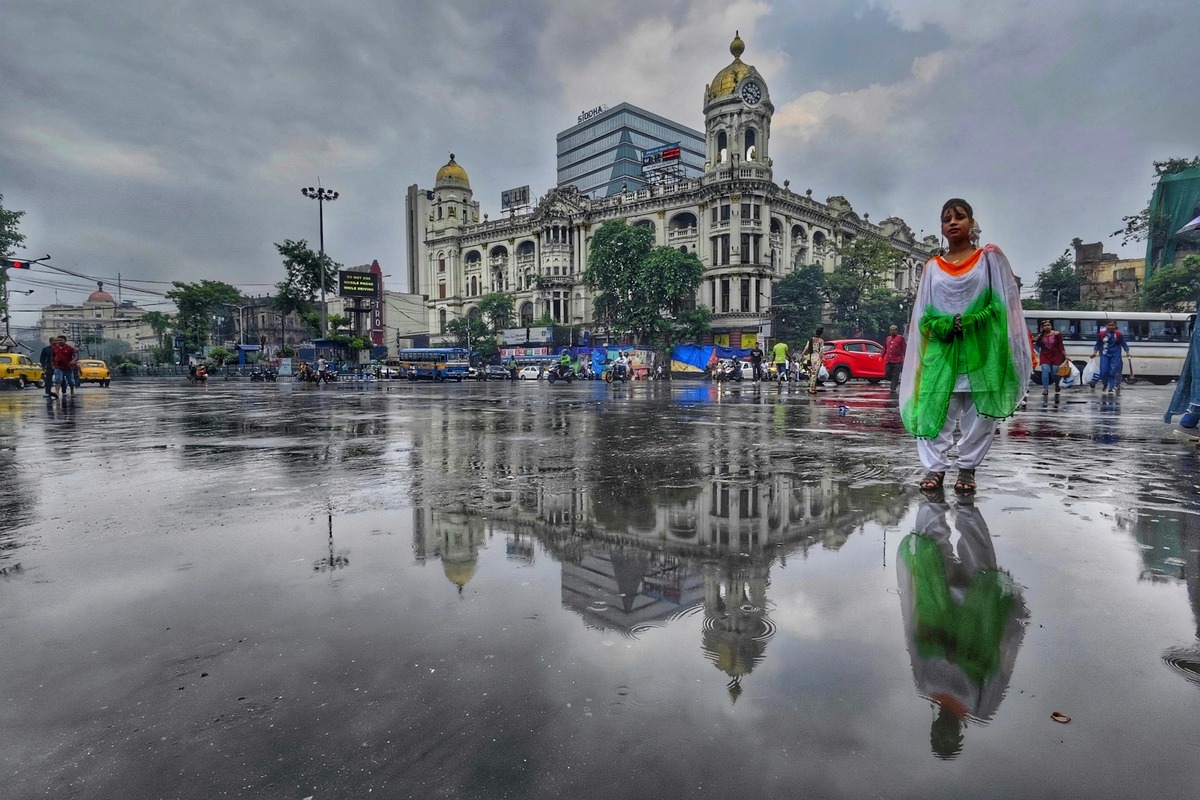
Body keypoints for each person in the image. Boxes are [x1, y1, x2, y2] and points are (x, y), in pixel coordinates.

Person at [899, 198, 1029, 494]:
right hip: (941, 351)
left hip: (980, 349)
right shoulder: (932, 267)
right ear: (942, 228)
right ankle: (935, 468)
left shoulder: (988, 259)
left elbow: (999, 305)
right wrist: (947, 326)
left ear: (972, 223)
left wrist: (970, 322)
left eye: (960, 216)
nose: (953, 222)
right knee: (934, 410)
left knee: (979, 415)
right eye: (947, 219)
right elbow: (924, 314)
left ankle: (968, 469)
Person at [1092, 320, 1130, 394]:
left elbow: (1123, 343)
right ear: (1106, 326)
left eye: (1113, 325)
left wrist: (1127, 352)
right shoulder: (1101, 334)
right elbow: (1098, 344)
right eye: (1109, 325)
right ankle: (1105, 384)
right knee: (1103, 371)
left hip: (1115, 354)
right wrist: (1094, 353)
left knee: (1113, 371)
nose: (1111, 327)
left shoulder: (1118, 334)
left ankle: (1111, 387)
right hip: (1104, 354)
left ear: (1115, 326)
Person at [1033, 319, 1067, 397]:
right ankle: (1045, 389)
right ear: (1042, 328)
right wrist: (1033, 340)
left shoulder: (1057, 334)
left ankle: (1057, 385)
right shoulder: (1040, 336)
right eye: (1045, 326)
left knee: (1054, 372)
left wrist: (1065, 355)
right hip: (1045, 355)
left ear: (1051, 326)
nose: (1047, 327)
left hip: (1056, 355)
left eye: (1048, 325)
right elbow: (1034, 343)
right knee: (1045, 370)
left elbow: (1060, 345)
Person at [800, 327, 826, 394]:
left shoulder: (810, 340)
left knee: (811, 373)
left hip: (810, 357)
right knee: (814, 373)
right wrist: (822, 359)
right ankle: (811, 388)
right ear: (821, 334)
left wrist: (802, 355)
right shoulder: (821, 341)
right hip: (816, 357)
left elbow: (806, 348)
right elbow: (821, 351)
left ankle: (813, 387)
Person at [885, 324, 907, 394]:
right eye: (891, 330)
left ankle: (893, 388)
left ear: (896, 331)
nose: (892, 332)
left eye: (894, 330)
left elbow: (904, 348)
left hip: (897, 360)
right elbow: (885, 348)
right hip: (889, 360)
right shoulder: (888, 338)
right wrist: (881, 356)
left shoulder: (900, 338)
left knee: (895, 375)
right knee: (887, 372)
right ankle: (894, 381)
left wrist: (904, 356)